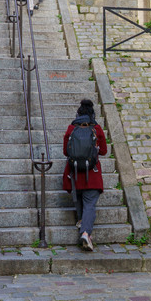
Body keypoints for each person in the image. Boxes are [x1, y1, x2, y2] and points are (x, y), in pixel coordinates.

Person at [62, 99, 106, 251]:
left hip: (74, 173)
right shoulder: (97, 129)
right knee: (90, 204)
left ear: (78, 113)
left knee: (79, 197)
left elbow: (66, 151)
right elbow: (104, 151)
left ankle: (82, 221)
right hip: (91, 173)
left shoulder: (71, 128)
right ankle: (86, 233)